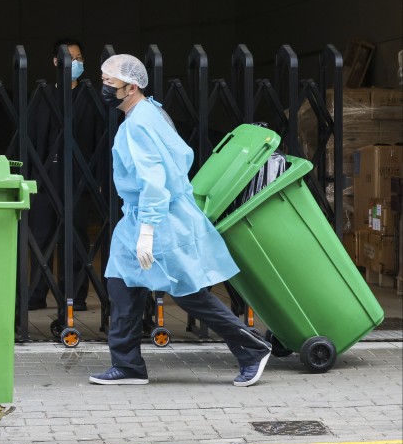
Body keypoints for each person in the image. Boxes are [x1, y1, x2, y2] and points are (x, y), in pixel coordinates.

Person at [90, 54, 271, 387]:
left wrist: (147, 231)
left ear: (130, 87)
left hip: (158, 218)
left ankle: (251, 347)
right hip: (141, 216)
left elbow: (153, 180)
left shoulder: (139, 123)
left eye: (108, 82)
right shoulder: (147, 113)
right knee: (121, 282)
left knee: (187, 290)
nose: (102, 86)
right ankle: (128, 364)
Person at [27, 39, 103, 312]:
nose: (75, 63)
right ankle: (36, 294)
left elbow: (98, 140)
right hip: (45, 178)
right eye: (69, 58)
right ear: (56, 62)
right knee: (41, 236)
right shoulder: (42, 95)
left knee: (76, 237)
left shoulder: (90, 96)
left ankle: (74, 296)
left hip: (78, 178)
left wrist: (97, 180)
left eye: (79, 57)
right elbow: (31, 139)